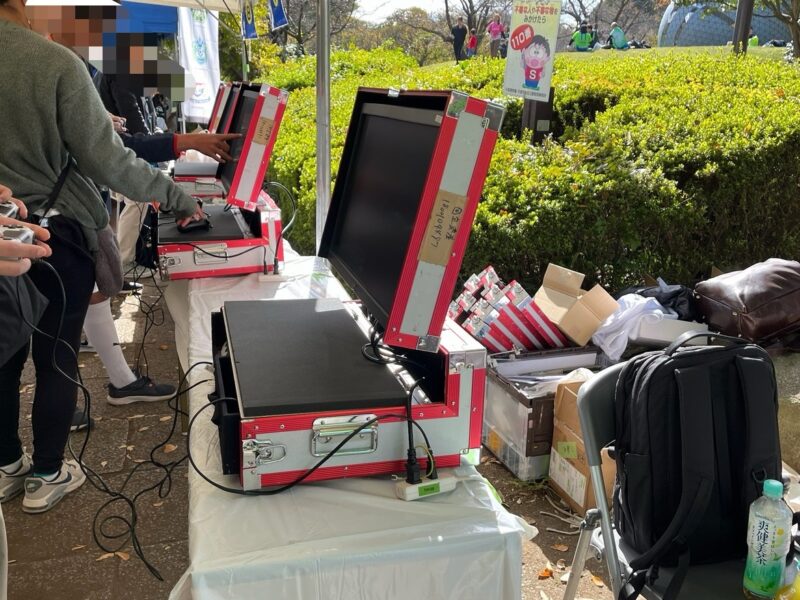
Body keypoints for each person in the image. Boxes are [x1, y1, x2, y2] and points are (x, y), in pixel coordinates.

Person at [0, 0, 204, 514]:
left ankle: (5, 465)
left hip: (4, 228)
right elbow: (109, 160)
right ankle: (48, 472)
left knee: (3, 356)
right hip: (54, 233)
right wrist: (177, 197)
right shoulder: (54, 63)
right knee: (56, 357)